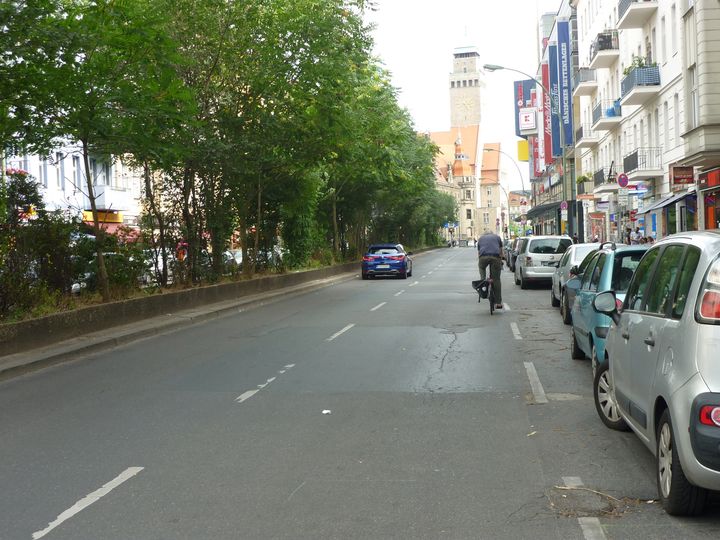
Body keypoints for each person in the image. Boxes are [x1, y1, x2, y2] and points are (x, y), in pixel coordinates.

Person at [477, 230, 504, 310]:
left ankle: (483, 280)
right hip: (495, 257)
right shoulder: (497, 237)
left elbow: (479, 253)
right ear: (492, 234)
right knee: (496, 280)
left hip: (483, 257)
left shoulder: (481, 238)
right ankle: (498, 303)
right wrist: (501, 258)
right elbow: (500, 251)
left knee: (481, 267)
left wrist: (481, 259)